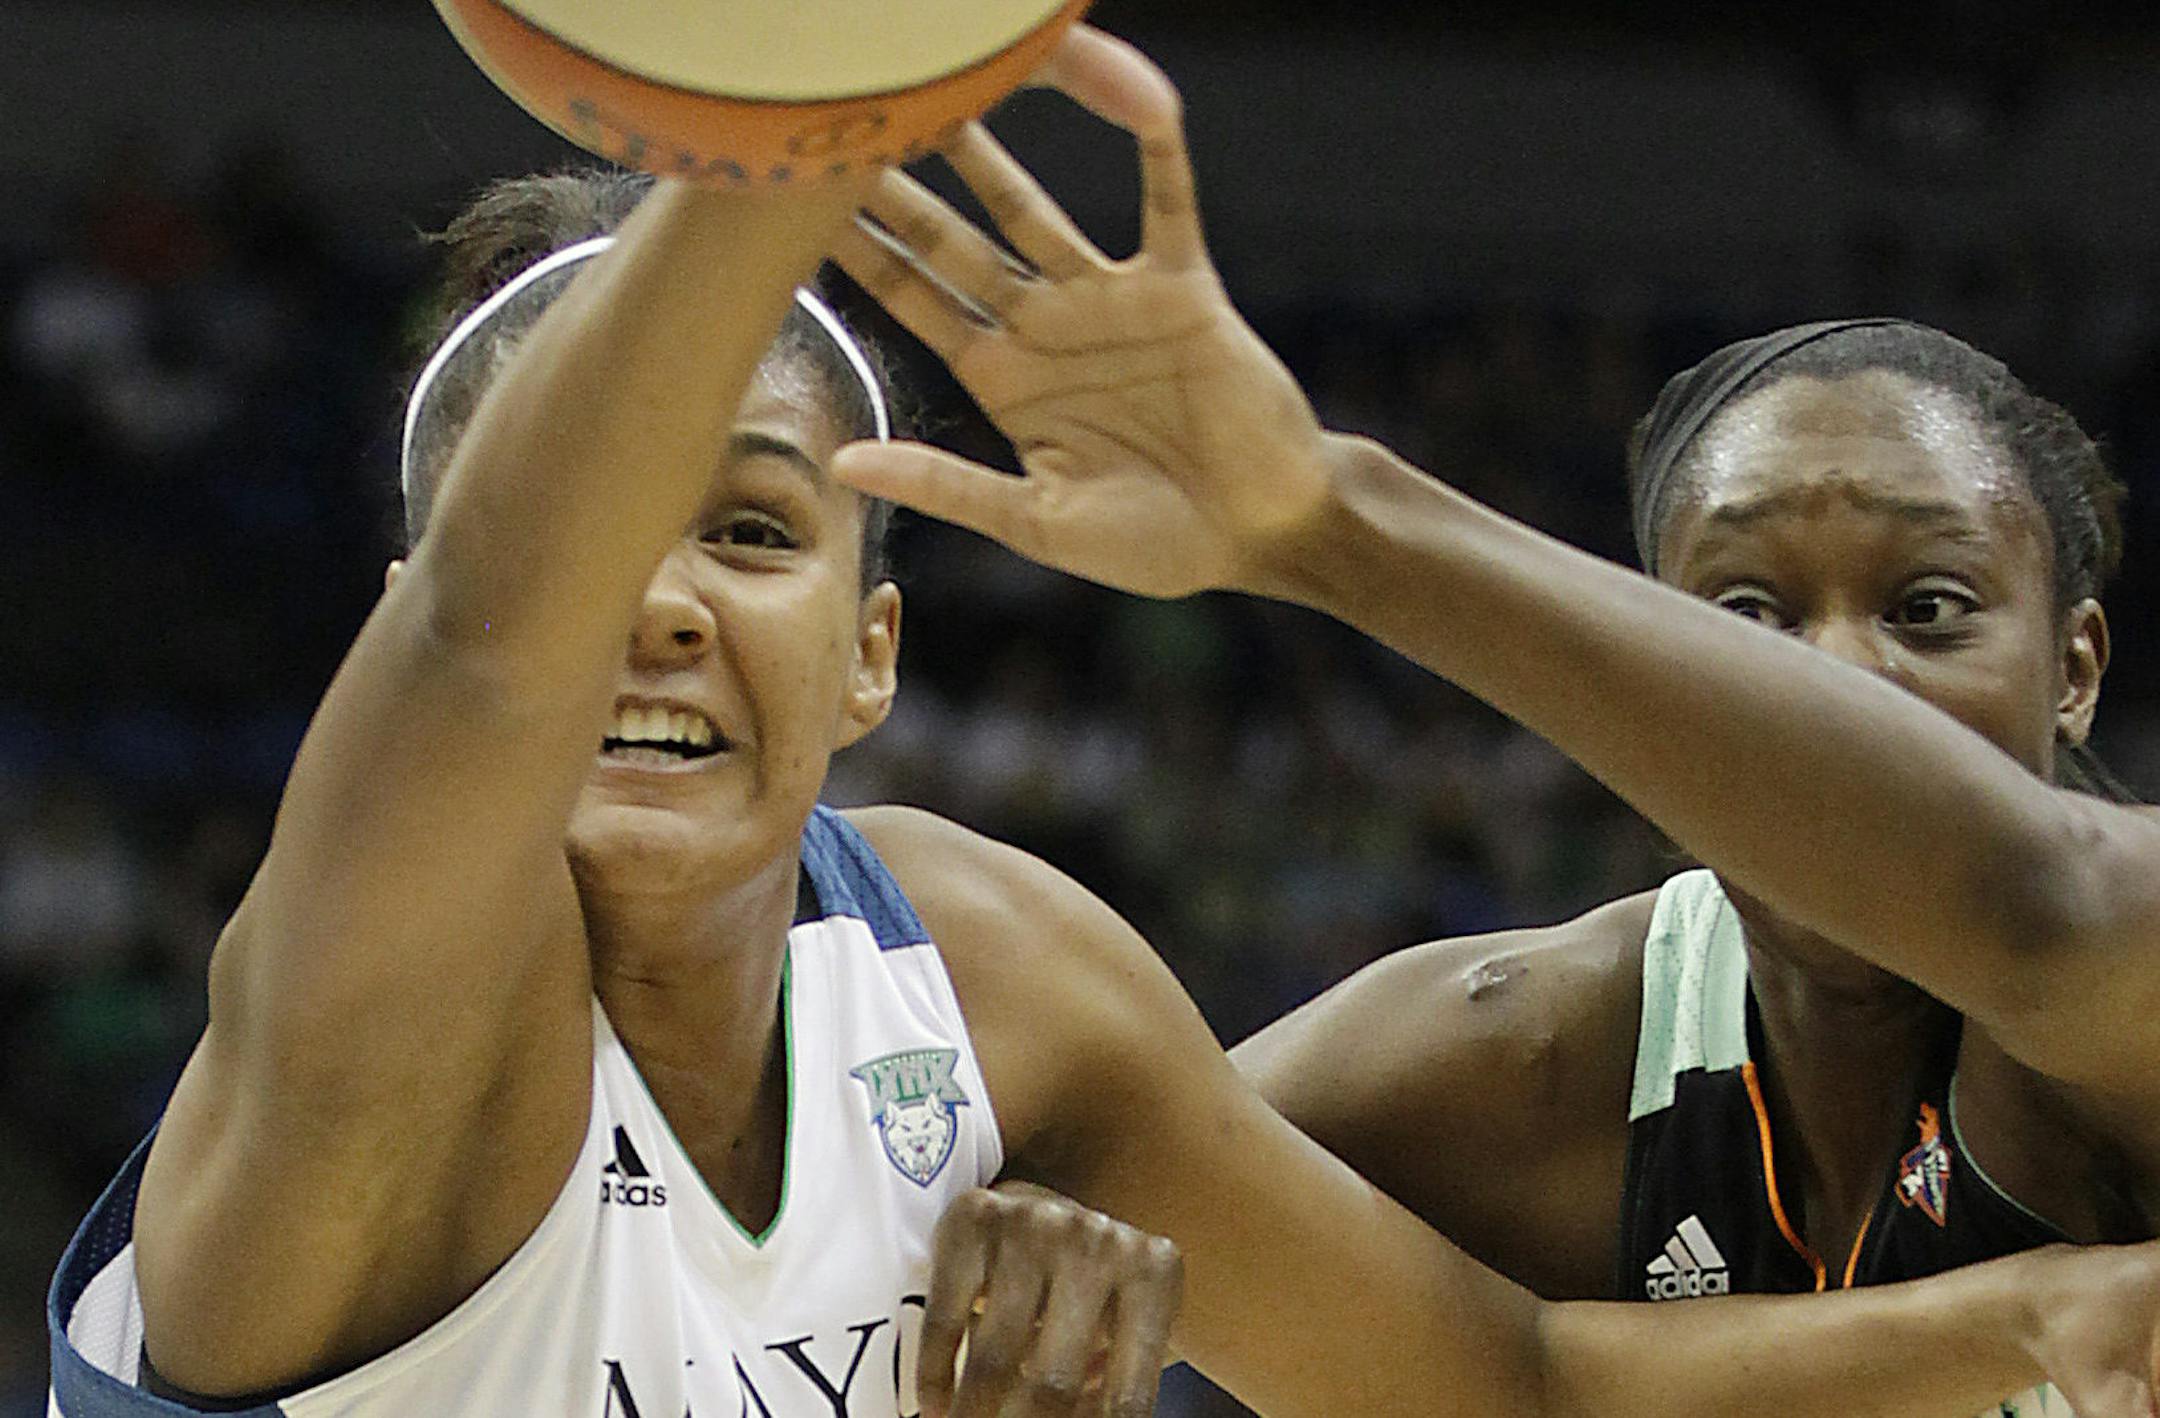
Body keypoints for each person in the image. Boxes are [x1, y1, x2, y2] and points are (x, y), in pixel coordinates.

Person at [40, 33, 2160, 1418]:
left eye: (757, 532)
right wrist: (799, 116)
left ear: (871, 656)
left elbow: (1503, 1383)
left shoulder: (986, 975)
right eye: (611, 543)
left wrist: (2045, 1323)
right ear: (389, 651)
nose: (660, 602)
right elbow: (506, 639)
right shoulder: (369, 1026)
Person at [823, 25, 2160, 1418]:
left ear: (2075, 667)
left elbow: (2035, 905)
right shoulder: (1523, 1053)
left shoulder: (2134, 973)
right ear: (1650, 678)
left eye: (1931, 608)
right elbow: (1047, 1191)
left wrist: (1323, 522)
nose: (1836, 676)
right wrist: (1049, 1231)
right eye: (1747, 625)